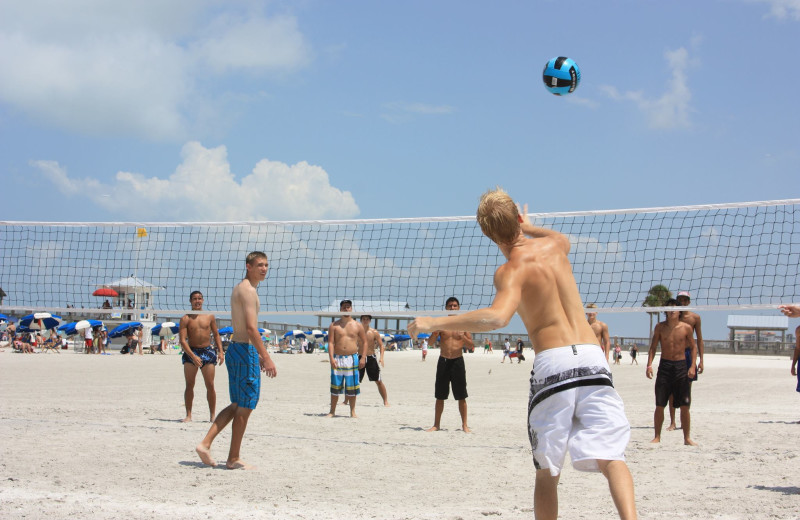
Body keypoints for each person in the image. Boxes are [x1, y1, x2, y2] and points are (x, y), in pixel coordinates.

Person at [408, 189, 636, 519]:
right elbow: (560, 237)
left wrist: (434, 321)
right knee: (613, 457)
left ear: (488, 235)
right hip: (591, 357)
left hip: (554, 361)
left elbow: (498, 317)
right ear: (518, 218)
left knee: (548, 471)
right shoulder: (555, 246)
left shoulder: (510, 270)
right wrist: (529, 227)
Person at [196, 251, 277, 470]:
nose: (264, 269)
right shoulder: (247, 290)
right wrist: (266, 357)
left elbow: (244, 327)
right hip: (243, 350)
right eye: (259, 265)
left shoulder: (244, 289)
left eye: (266, 265)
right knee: (245, 406)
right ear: (248, 266)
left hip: (239, 349)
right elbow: (250, 328)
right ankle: (231, 457)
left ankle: (209, 445)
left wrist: (259, 354)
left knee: (238, 405)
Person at [646, 299, 698, 446]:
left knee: (684, 405)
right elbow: (653, 347)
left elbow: (693, 348)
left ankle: (687, 438)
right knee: (660, 404)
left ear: (679, 310)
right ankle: (657, 436)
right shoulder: (660, 327)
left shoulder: (686, 328)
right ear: (666, 311)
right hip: (665, 366)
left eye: (674, 308)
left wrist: (692, 365)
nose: (672, 311)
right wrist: (649, 365)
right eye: (669, 308)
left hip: (681, 367)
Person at [421, 297, 474, 433]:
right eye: (450, 305)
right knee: (440, 395)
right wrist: (435, 332)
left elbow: (471, 346)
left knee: (461, 395)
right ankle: (436, 424)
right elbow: (431, 343)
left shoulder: (464, 324)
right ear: (446, 308)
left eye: (455, 306)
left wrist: (462, 336)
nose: (452, 308)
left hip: (458, 361)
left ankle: (464, 425)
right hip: (443, 360)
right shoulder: (441, 323)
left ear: (459, 307)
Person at [179, 290, 225, 423]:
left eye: (199, 298)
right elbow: (182, 340)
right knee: (189, 384)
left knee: (210, 385)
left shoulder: (209, 316)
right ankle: (188, 415)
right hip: (191, 352)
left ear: (203, 300)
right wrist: (193, 356)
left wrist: (220, 352)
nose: (197, 301)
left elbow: (216, 335)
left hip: (207, 351)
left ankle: (212, 416)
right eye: (194, 299)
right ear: (190, 301)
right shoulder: (185, 318)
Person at [667, 290, 704, 431]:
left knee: (686, 389)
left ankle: (684, 420)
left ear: (688, 301)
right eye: (680, 299)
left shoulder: (695, 318)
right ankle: (672, 422)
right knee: (671, 389)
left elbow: (699, 339)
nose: (682, 302)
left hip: (688, 354)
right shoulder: (672, 317)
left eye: (685, 300)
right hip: (674, 354)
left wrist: (701, 360)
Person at [327, 300, 368, 418]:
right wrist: (331, 358)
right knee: (335, 386)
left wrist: (363, 357)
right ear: (340, 309)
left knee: (352, 387)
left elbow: (364, 342)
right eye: (344, 307)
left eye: (348, 307)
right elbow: (330, 343)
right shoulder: (334, 325)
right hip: (338, 358)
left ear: (351, 309)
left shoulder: (357, 325)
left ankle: (352, 412)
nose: (346, 309)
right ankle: (332, 411)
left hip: (352, 358)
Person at [357, 315, 390, 406]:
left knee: (378, 381)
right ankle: (346, 401)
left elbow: (381, 345)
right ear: (361, 320)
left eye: (367, 319)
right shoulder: (357, 331)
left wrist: (382, 358)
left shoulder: (374, 332)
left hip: (371, 357)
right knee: (354, 380)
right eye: (364, 319)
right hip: (359, 357)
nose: (365, 320)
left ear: (370, 321)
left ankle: (385, 401)